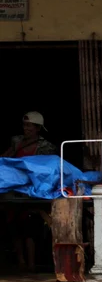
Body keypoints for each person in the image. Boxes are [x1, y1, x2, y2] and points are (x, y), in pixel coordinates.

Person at [1, 111, 57, 272]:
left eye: (30, 126)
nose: (26, 129)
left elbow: (45, 169)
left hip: (31, 187)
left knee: (29, 224)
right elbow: (7, 158)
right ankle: (21, 261)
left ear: (38, 128)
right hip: (13, 185)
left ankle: (31, 264)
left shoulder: (46, 147)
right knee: (13, 222)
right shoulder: (16, 141)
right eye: (25, 125)